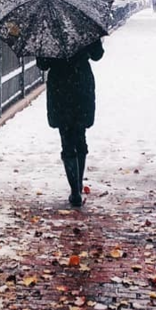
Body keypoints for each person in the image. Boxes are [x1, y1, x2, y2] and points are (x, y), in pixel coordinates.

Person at [37, 39, 104, 207]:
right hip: (81, 83)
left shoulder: (49, 32)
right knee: (80, 134)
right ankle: (78, 183)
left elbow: (42, 64)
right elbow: (97, 55)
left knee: (66, 138)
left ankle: (74, 191)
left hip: (60, 86)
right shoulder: (83, 29)